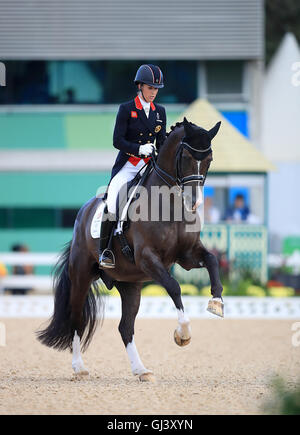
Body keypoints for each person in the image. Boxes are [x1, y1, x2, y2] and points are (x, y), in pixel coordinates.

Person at [99, 64, 167, 268]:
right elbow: (117, 141)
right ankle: (106, 251)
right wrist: (139, 149)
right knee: (112, 201)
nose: (153, 92)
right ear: (140, 86)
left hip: (149, 166)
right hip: (128, 165)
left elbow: (162, 142)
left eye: (156, 89)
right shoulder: (127, 109)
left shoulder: (160, 112)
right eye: (150, 88)